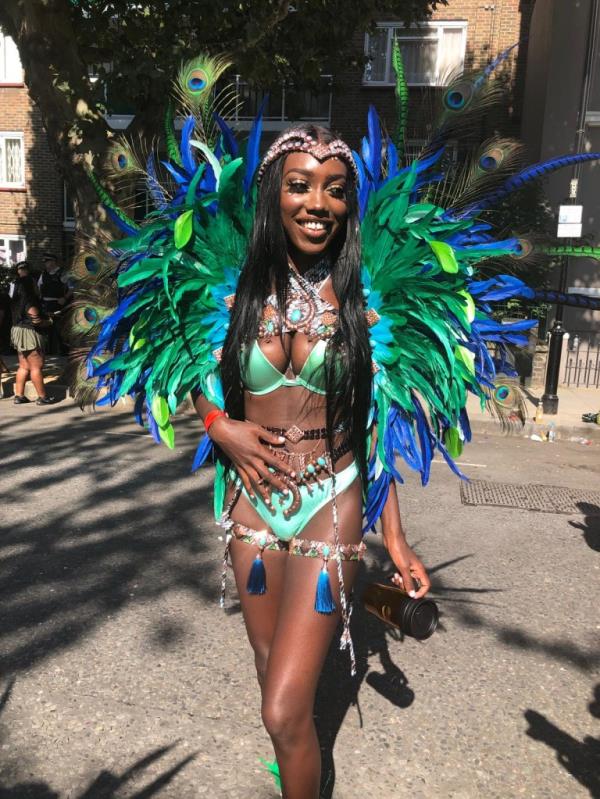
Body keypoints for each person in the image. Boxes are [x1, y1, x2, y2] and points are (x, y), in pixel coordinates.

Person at [191, 127, 431, 798]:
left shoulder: (368, 301)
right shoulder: (231, 290)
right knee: (272, 675)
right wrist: (222, 429)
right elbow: (185, 371)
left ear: (349, 204)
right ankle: (306, 768)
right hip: (250, 503)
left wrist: (396, 538)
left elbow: (374, 427)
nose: (317, 202)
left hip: (332, 495)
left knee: (283, 707)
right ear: (276, 193)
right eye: (300, 184)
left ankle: (303, 772)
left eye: (335, 189)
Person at [10, 274, 54, 405]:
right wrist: (49, 321)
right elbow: (36, 320)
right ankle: (42, 397)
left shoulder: (16, 300)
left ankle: (19, 395)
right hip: (29, 333)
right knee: (37, 366)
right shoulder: (30, 300)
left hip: (18, 331)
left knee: (23, 366)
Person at [38, 253, 72, 354]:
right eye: (45, 262)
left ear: (53, 262)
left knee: (59, 327)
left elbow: (72, 288)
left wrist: (65, 298)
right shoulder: (43, 274)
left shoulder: (63, 273)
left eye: (47, 262)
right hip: (46, 304)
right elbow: (39, 287)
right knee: (47, 327)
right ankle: (49, 350)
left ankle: (63, 350)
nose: (46, 264)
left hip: (58, 303)